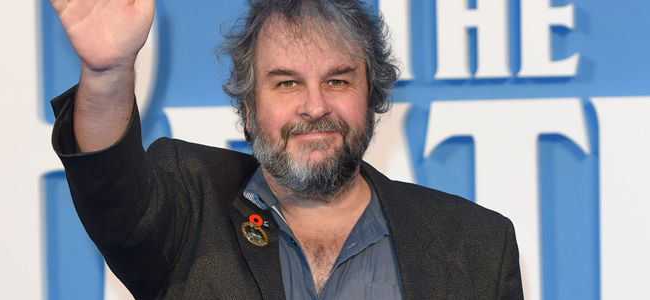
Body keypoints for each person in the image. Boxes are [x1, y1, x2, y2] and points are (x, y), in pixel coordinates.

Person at [49, 0, 524, 299]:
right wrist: (109, 73)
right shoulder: (189, 206)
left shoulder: (478, 246)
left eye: (337, 80)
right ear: (250, 108)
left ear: (371, 96)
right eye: (287, 82)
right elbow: (109, 183)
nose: (314, 105)